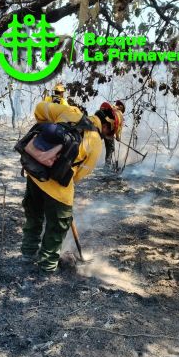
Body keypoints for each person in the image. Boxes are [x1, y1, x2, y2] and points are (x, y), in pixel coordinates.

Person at [21, 97, 119, 273]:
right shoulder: (95, 142)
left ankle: (28, 254)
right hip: (58, 189)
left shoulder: (70, 112)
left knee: (33, 215)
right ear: (107, 127)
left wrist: (49, 137)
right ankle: (47, 266)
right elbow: (80, 174)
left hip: (34, 173)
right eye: (109, 133)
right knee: (57, 227)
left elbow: (39, 109)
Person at [101, 101, 124, 169]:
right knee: (110, 148)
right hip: (109, 133)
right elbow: (118, 127)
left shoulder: (112, 109)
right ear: (121, 107)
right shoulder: (119, 114)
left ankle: (108, 164)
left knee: (109, 148)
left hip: (105, 131)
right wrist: (117, 137)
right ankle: (107, 165)